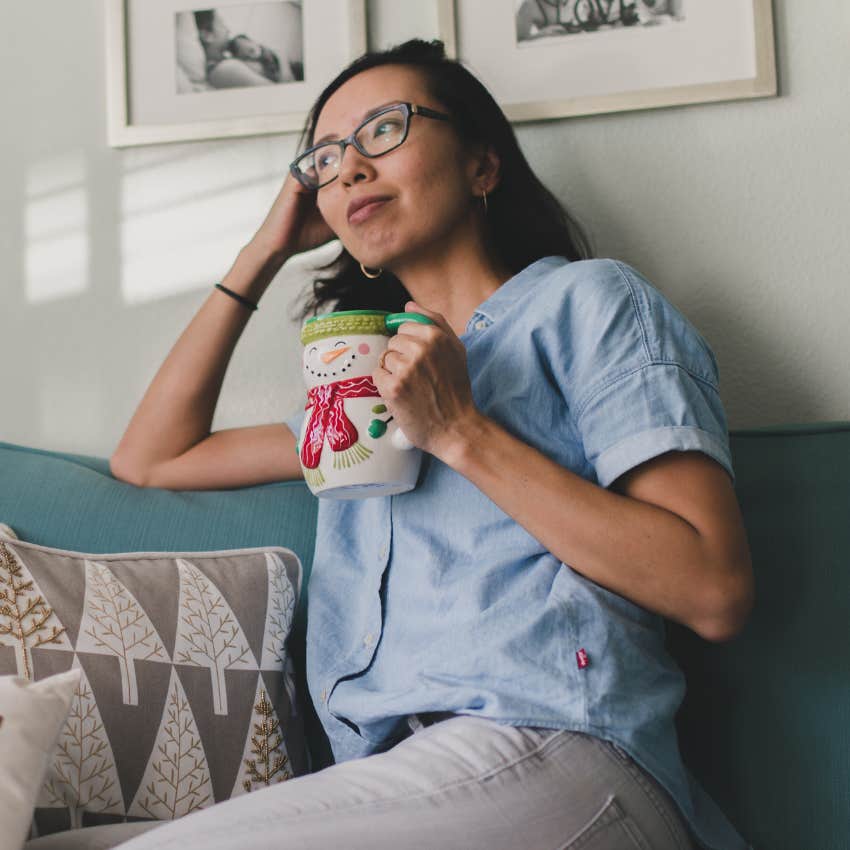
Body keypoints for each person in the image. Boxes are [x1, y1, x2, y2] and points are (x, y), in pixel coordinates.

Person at [107, 38, 753, 850]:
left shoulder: (590, 304)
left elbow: (714, 588)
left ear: (484, 165)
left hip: (565, 754)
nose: (349, 168)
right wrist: (266, 247)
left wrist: (459, 432)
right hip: (387, 779)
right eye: (328, 155)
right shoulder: (361, 389)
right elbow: (152, 457)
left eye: (384, 129)